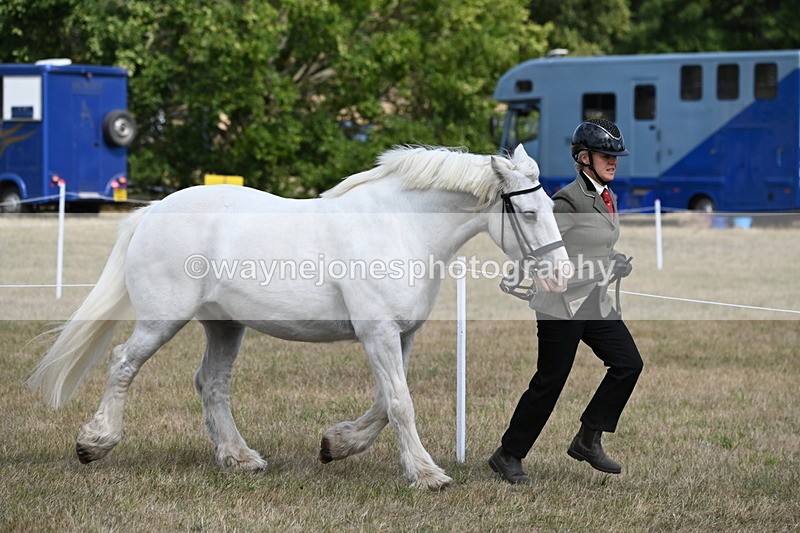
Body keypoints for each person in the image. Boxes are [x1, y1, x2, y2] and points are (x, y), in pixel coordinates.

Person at [489, 117, 644, 484]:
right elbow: (538, 245)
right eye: (606, 155)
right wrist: (537, 270)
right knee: (551, 380)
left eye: (615, 155)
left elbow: (597, 245)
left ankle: (588, 437)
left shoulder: (608, 196)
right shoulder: (568, 200)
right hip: (559, 305)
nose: (613, 161)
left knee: (628, 364)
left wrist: (614, 260)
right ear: (584, 158)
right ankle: (508, 454)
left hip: (595, 303)